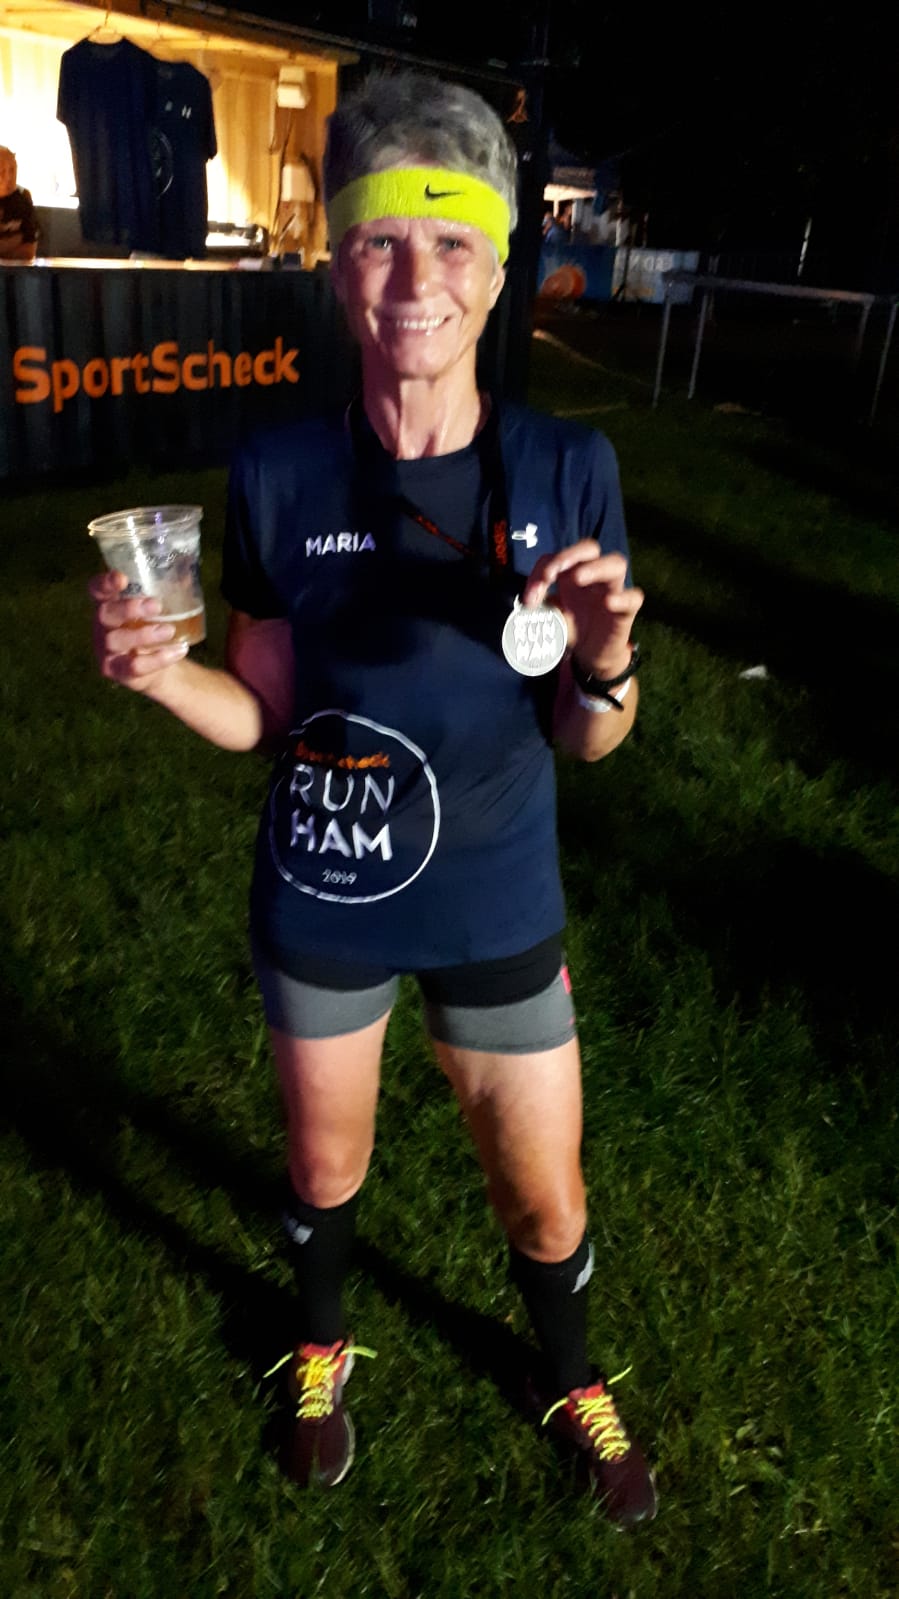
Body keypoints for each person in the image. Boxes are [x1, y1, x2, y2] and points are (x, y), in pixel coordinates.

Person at [89, 71, 655, 1528]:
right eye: (380, 243)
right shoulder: (279, 470)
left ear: (497, 269)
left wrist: (603, 662)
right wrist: (165, 676)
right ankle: (319, 1341)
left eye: (451, 243)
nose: (415, 280)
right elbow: (263, 711)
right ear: (338, 267)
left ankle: (569, 1372)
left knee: (544, 1197)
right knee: (321, 1163)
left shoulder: (565, 465)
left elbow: (587, 739)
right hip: (326, 891)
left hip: (495, 899)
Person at [0, 147, 38, 261]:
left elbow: (29, 251)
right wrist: (14, 241)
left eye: (12, 170)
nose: (9, 178)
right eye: (1, 171)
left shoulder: (23, 197)